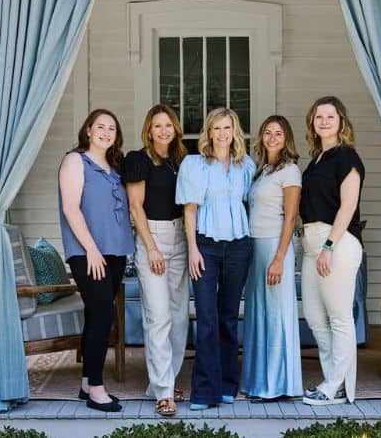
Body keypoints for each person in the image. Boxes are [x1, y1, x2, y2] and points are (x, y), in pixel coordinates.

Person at [175, 108, 256, 410]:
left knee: (228, 317)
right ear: (208, 132)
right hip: (206, 247)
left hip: (238, 247)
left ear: (235, 131)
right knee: (207, 319)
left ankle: (226, 385)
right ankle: (203, 392)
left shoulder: (246, 165)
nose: (222, 134)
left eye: (227, 128)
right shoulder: (195, 165)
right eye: (216, 128)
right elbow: (189, 210)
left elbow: (252, 203)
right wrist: (193, 249)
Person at [58, 109, 134, 413]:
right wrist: (91, 249)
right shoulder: (75, 160)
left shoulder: (115, 166)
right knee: (103, 317)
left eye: (111, 128)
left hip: (115, 253)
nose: (106, 132)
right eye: (100, 127)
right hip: (89, 254)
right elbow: (70, 208)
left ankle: (87, 382)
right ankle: (98, 390)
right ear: (88, 130)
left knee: (96, 316)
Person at [299, 96, 365, 406]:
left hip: (336, 243)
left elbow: (349, 206)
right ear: (312, 122)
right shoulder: (315, 161)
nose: (324, 122)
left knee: (339, 318)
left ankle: (336, 383)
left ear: (341, 122)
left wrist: (328, 246)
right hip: (313, 245)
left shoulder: (346, 157)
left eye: (330, 116)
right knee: (314, 317)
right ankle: (333, 381)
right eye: (319, 117)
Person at [123, 105, 189, 417]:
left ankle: (166, 379)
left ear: (176, 129)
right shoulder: (138, 160)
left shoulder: (182, 162)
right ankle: (164, 392)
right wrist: (151, 248)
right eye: (157, 125)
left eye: (168, 125)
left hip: (181, 239)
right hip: (153, 238)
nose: (163, 130)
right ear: (149, 130)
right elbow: (136, 207)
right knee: (158, 315)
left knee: (178, 316)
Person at [240, 115, 304, 402]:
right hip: (254, 246)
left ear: (286, 138)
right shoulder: (259, 170)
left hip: (276, 246)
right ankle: (257, 382)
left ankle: (279, 385)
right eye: (268, 132)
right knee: (258, 314)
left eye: (279, 133)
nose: (273, 137)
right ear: (261, 136)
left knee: (277, 314)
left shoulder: (290, 171)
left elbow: (291, 217)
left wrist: (279, 258)